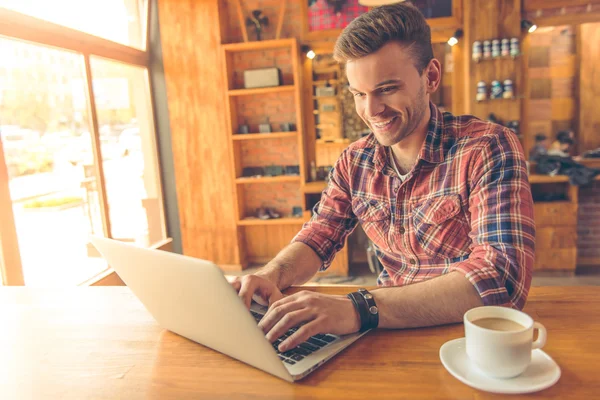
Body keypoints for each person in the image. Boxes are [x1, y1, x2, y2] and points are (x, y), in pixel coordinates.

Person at [230, 3, 535, 353]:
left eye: (387, 89)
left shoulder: (487, 147)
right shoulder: (354, 160)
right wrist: (272, 275)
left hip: (465, 338)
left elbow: (503, 278)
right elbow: (319, 235)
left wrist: (360, 307)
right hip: (383, 333)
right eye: (359, 94)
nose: (371, 111)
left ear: (431, 77)